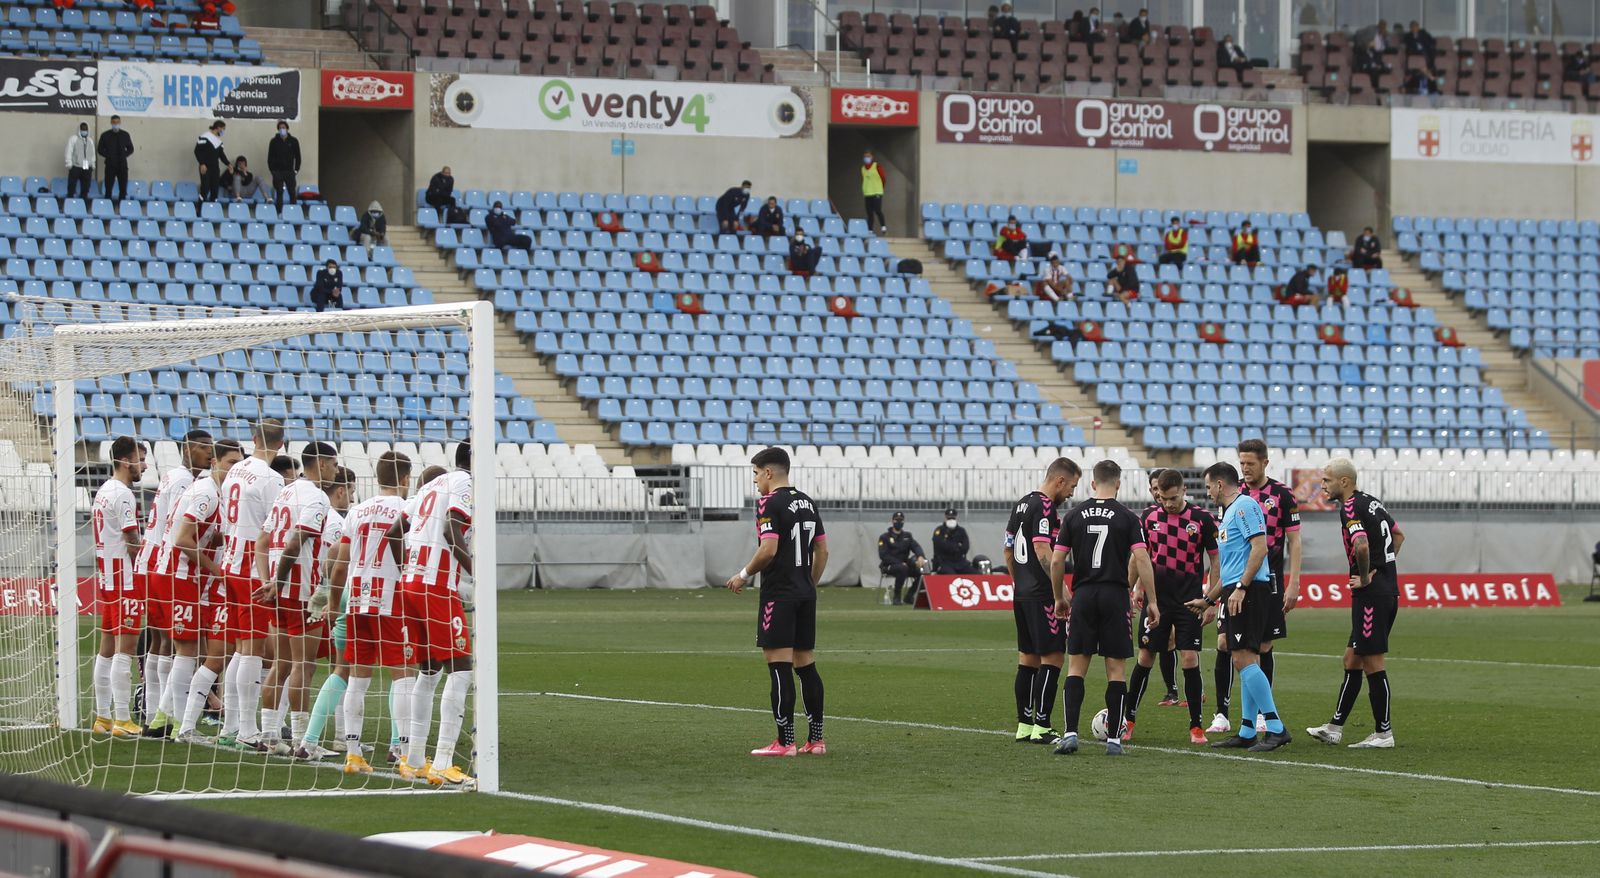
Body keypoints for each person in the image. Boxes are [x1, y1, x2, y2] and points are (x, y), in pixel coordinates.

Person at [725, 447, 829, 757]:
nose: (755, 481)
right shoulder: (807, 502)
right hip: (804, 594)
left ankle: (784, 742)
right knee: (806, 664)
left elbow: (768, 549)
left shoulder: (768, 503)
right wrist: (809, 583)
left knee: (779, 665)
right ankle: (816, 740)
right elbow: (822, 551)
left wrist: (743, 574)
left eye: (756, 474)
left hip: (779, 595)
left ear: (769, 473)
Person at [1048, 459, 1156, 756]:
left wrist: (1059, 596)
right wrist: (1153, 601)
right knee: (1116, 670)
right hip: (1115, 595)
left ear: (1092, 483)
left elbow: (1057, 561)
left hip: (1083, 595)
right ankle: (1114, 741)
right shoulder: (1128, 517)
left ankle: (1070, 734)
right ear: (1118, 484)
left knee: (1077, 666)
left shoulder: (1073, 515)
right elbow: (1142, 559)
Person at [1184, 463, 1290, 752]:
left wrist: (1242, 587)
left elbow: (1260, 548)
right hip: (1237, 589)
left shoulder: (1244, 506)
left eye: (1208, 487)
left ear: (1220, 484)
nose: (1207, 493)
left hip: (1251, 590)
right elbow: (1230, 570)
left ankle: (1276, 727)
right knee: (1243, 659)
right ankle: (1246, 730)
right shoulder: (1230, 513)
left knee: (1243, 658)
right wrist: (1208, 599)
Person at [395, 442, 477, 785]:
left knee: (428, 672)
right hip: (436, 588)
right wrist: (477, 574)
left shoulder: (431, 484)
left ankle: (413, 759)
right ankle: (443, 760)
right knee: (460, 670)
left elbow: (392, 532)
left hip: (410, 585)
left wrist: (406, 568)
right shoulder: (464, 483)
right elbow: (450, 530)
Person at [1307, 459, 1404, 750]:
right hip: (1383, 591)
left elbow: (1360, 544)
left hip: (1372, 596)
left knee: (1373, 662)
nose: (1322, 485)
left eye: (1327, 480)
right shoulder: (1372, 502)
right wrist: (1384, 568)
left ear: (1344, 482)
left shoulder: (1350, 508)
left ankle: (1383, 733)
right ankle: (1334, 727)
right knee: (1352, 659)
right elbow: (1398, 535)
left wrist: (1364, 577)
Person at [1123, 469, 1218, 745]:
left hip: (1190, 600)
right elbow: (1141, 556)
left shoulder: (1202, 519)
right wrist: (1137, 586)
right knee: (1145, 657)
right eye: (1163, 498)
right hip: (1158, 600)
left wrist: (1213, 600)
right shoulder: (1150, 517)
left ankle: (1196, 726)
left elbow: (1215, 561)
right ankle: (1128, 720)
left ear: (1184, 490)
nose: (1168, 504)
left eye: (1173, 498)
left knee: (1189, 658)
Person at [333, 451, 414, 775]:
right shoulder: (406, 509)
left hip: (356, 598)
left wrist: (332, 602)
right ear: (406, 479)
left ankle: (353, 753)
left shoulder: (357, 510)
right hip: (391, 597)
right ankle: (406, 751)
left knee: (357, 676)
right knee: (404, 673)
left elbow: (340, 563)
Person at [256, 442, 338, 757]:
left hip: (281, 591)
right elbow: (294, 544)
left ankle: (268, 736)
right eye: (332, 463)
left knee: (282, 664)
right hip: (304, 591)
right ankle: (304, 741)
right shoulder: (316, 497)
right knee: (304, 666)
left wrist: (269, 582)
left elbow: (262, 541)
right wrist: (277, 580)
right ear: (320, 463)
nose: (335, 469)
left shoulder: (285, 493)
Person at [215, 418, 287, 752]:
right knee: (253, 648)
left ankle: (231, 725)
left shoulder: (235, 470)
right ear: (282, 445)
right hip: (250, 566)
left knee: (242, 647)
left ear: (253, 438)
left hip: (230, 559)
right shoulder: (271, 478)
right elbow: (273, 528)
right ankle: (246, 728)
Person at [136, 429, 212, 739]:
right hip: (168, 563)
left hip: (153, 560)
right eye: (205, 448)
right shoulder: (186, 482)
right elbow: (179, 528)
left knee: (161, 641)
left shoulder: (172, 476)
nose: (210, 454)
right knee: (174, 643)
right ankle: (166, 716)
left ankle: (154, 712)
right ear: (189, 448)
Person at [169, 439, 244, 744]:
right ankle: (182, 725)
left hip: (211, 583)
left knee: (225, 655)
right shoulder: (205, 493)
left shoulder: (226, 496)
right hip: (200, 582)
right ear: (214, 462)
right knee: (214, 655)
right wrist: (218, 573)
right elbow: (182, 538)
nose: (233, 470)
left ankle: (188, 723)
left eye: (238, 465)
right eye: (229, 463)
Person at [1005, 458, 1081, 745]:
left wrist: (1018, 581)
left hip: (1022, 593)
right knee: (1053, 658)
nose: (1072, 492)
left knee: (1027, 660)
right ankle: (1043, 726)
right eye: (1072, 485)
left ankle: (1024, 724)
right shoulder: (1046, 507)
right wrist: (1060, 588)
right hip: (1042, 594)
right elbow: (1042, 549)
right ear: (1059, 481)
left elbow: (1008, 549)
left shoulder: (1021, 504)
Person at [1237, 439, 1302, 706]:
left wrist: (1294, 583)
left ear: (1265, 462)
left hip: (1270, 579)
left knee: (1264, 646)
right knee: (1232, 644)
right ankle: (1223, 711)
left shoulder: (1283, 495)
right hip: (1237, 578)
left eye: (1250, 464)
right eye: (1241, 463)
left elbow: (1294, 541)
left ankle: (1265, 710)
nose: (1245, 469)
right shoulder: (1234, 493)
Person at [90, 436, 147, 739]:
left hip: (107, 578)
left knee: (107, 648)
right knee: (125, 650)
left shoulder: (103, 491)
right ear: (126, 461)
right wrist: (146, 564)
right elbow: (132, 539)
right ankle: (123, 719)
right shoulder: (123, 494)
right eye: (140, 458)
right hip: (125, 580)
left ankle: (102, 716)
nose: (145, 465)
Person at [298, 465, 355, 759]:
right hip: (343, 596)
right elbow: (334, 560)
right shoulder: (334, 521)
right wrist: (329, 593)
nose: (353, 498)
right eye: (352, 491)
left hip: (329, 594)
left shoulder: (343, 517)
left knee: (333, 667)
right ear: (342, 490)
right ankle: (340, 737)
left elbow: (329, 559)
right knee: (314, 666)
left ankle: (334, 737)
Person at [878, 511, 927, 606]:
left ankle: (909, 595)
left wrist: (920, 556)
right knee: (902, 568)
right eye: (897, 520)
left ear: (904, 521)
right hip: (889, 566)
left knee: (923, 570)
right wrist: (898, 563)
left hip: (905, 565)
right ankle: (897, 596)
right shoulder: (884, 537)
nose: (899, 522)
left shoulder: (907, 536)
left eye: (901, 520)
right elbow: (883, 555)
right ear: (892, 521)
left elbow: (916, 547)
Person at [97, 114, 134, 205]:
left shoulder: (125, 135)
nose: (115, 124)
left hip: (122, 166)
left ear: (120, 123)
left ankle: (122, 208)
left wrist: (124, 155)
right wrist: (108, 155)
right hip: (110, 165)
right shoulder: (105, 135)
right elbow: (100, 149)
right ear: (111, 123)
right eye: (114, 122)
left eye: (117, 122)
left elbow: (131, 149)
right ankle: (107, 207)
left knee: (123, 189)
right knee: (108, 188)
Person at [267, 120, 301, 210]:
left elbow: (298, 157)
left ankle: (293, 211)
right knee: (279, 192)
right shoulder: (274, 141)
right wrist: (273, 171)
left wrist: (296, 170)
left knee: (292, 192)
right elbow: (270, 157)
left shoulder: (294, 141)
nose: (282, 129)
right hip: (278, 171)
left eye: (284, 128)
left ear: (287, 129)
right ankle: (279, 212)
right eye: (280, 128)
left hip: (290, 171)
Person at [931, 507, 975, 575]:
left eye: (953, 518)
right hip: (944, 562)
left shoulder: (961, 531)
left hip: (960, 561)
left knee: (975, 573)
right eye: (949, 518)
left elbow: (965, 546)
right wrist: (956, 546)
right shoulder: (939, 531)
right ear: (945, 518)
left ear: (956, 518)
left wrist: (955, 548)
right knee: (951, 575)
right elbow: (940, 545)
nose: (951, 520)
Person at [194, 120, 228, 204]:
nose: (223, 131)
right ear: (218, 128)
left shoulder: (219, 141)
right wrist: (202, 163)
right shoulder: (205, 137)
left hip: (215, 168)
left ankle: (212, 209)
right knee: (205, 188)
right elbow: (197, 151)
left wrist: (228, 164)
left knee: (215, 188)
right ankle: (200, 208)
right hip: (205, 167)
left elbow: (221, 155)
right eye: (223, 129)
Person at [65, 121, 95, 201]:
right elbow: (69, 151)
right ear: (79, 129)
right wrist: (69, 163)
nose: (84, 131)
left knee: (85, 187)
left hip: (86, 167)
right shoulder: (73, 139)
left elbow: (92, 153)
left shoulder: (90, 141)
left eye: (85, 129)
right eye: (82, 129)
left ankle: (83, 204)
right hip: (75, 166)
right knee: (71, 187)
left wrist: (93, 164)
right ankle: (70, 202)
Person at [862, 151, 887, 235]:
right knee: (869, 213)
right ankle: (870, 230)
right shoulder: (862, 169)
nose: (866, 158)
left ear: (872, 157)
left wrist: (881, 187)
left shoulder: (877, 166)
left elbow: (883, 177)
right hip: (868, 193)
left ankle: (883, 226)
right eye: (865, 156)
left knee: (878, 210)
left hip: (877, 192)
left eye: (868, 156)